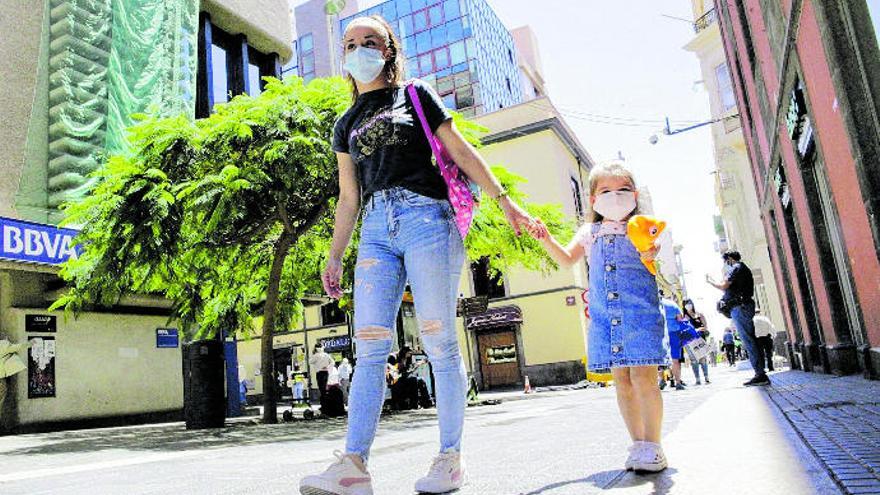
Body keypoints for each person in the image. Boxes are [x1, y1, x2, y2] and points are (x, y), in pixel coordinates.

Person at [299, 15, 536, 495]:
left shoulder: (415, 94)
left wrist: (504, 200)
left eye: (370, 41)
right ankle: (353, 465)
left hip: (428, 218)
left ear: (388, 51)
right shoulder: (345, 124)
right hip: (376, 233)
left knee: (439, 341)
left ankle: (450, 458)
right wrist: (334, 255)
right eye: (350, 43)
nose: (360, 48)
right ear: (344, 55)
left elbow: (462, 151)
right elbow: (350, 197)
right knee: (369, 349)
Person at [531, 161, 669, 473]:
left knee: (644, 378)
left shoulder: (642, 226)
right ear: (593, 200)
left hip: (640, 315)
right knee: (621, 380)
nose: (615, 196)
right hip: (606, 319)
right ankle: (639, 445)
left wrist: (652, 250)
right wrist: (544, 238)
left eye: (622, 189)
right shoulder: (589, 232)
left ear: (634, 195)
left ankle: (654, 445)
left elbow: (653, 247)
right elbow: (566, 260)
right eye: (606, 190)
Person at [707, 250, 769, 386]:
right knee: (750, 339)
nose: (725, 264)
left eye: (725, 261)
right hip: (743, 306)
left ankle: (760, 374)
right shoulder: (741, 268)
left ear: (729, 259)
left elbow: (724, 285)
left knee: (748, 340)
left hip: (740, 307)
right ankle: (760, 372)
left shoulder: (736, 267)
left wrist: (711, 282)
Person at [662, 297, 699, 390]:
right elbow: (680, 318)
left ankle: (662, 380)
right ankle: (678, 382)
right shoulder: (672, 304)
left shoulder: (655, 303)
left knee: (661, 358)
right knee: (675, 360)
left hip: (661, 333)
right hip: (674, 333)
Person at [682, 299, 710, 384]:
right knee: (693, 360)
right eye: (686, 304)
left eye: (689, 303)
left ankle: (706, 378)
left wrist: (698, 329)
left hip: (700, 339)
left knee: (703, 358)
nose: (688, 305)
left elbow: (705, 326)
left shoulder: (699, 314)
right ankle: (697, 379)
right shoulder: (683, 317)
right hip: (689, 341)